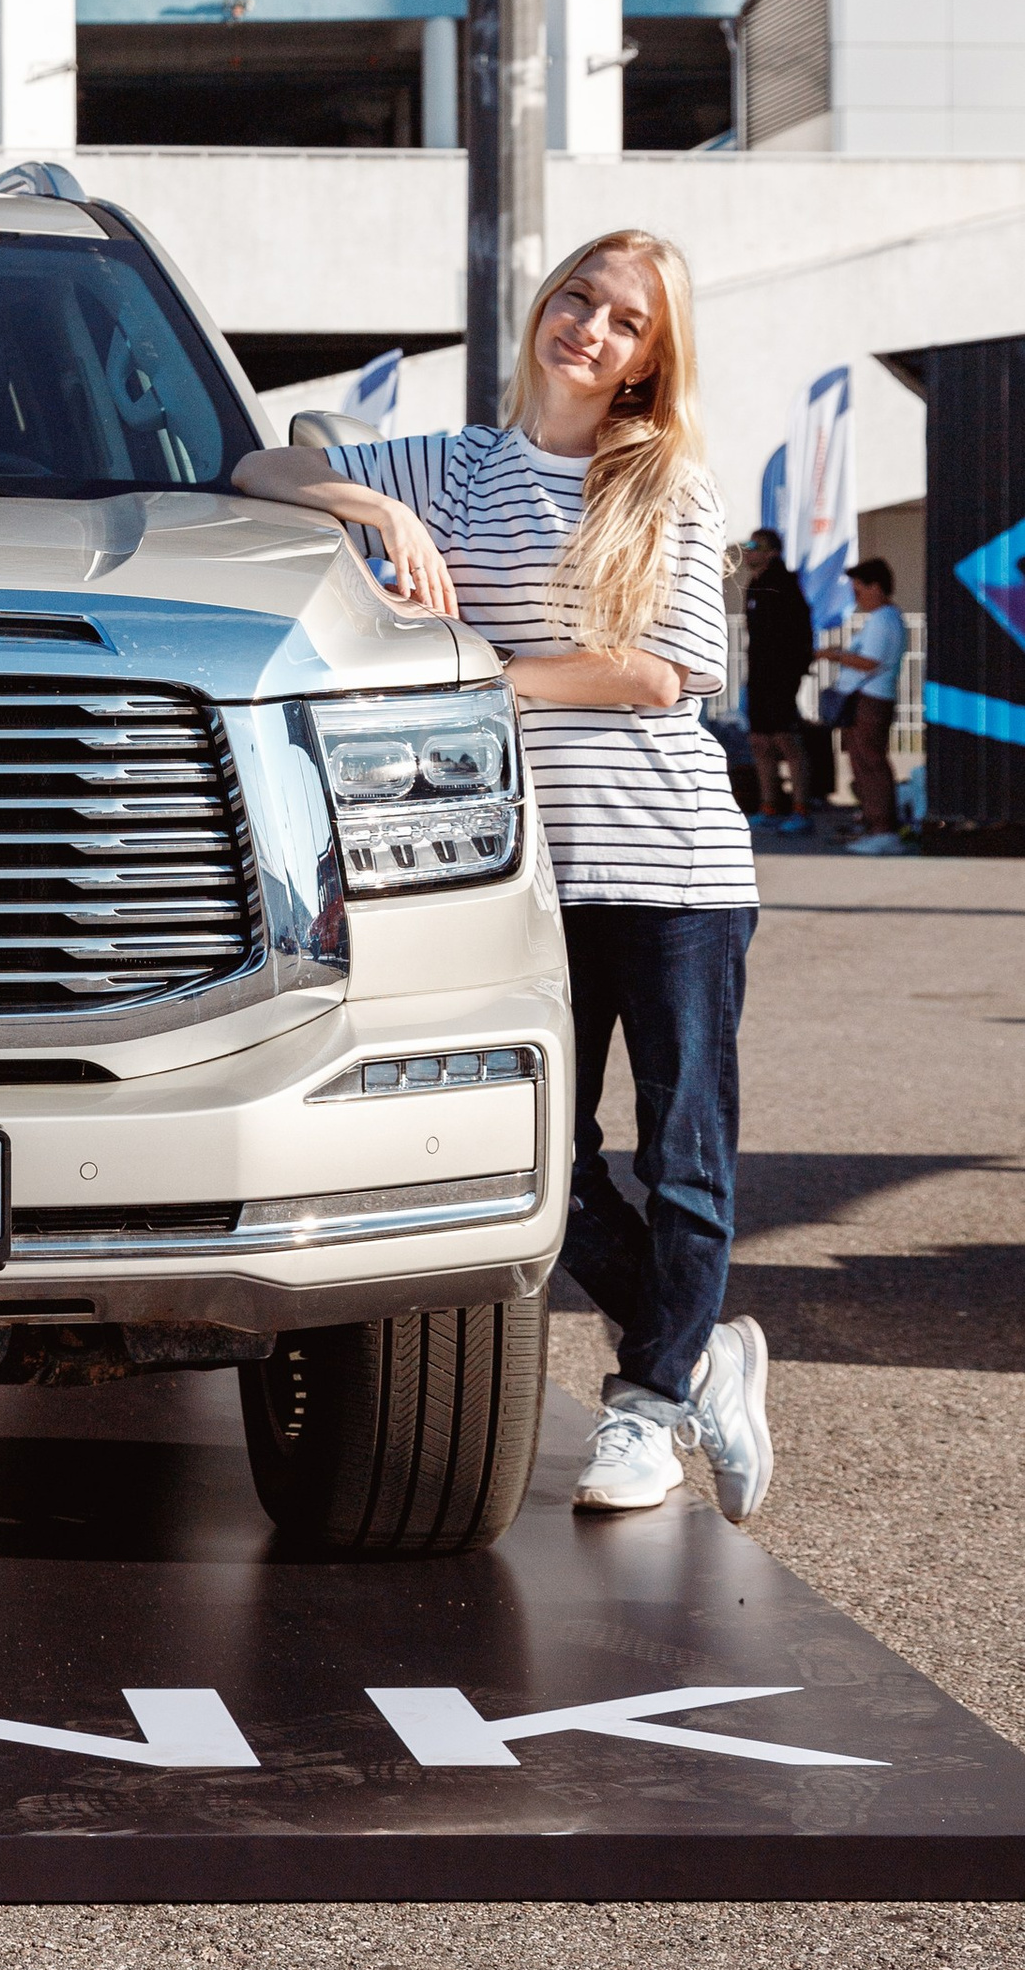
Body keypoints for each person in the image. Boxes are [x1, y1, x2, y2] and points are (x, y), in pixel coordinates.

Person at [233, 228, 772, 1523]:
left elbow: (655, 674)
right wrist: (373, 505)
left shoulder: (668, 487)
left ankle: (647, 1404)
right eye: (581, 296)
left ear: (651, 361)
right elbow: (251, 465)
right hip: (524, 871)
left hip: (676, 864)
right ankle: (705, 1352)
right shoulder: (455, 465)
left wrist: (469, 676)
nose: (589, 326)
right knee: (552, 1152)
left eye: (626, 321)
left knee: (684, 1152)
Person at [819, 558, 908, 857]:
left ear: (876, 587)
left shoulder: (884, 619)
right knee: (862, 763)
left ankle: (884, 828)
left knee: (871, 764)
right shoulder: (882, 618)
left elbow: (870, 662)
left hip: (872, 699)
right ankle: (873, 823)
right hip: (866, 699)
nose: (857, 599)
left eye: (859, 591)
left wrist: (836, 656)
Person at [740, 528, 816, 835]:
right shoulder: (753, 585)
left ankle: (801, 808)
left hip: (781, 676)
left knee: (787, 740)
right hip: (758, 674)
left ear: (772, 552)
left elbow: (802, 633)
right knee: (759, 741)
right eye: (747, 545)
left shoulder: (785, 584)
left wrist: (794, 672)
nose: (748, 551)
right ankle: (768, 806)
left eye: (755, 546)